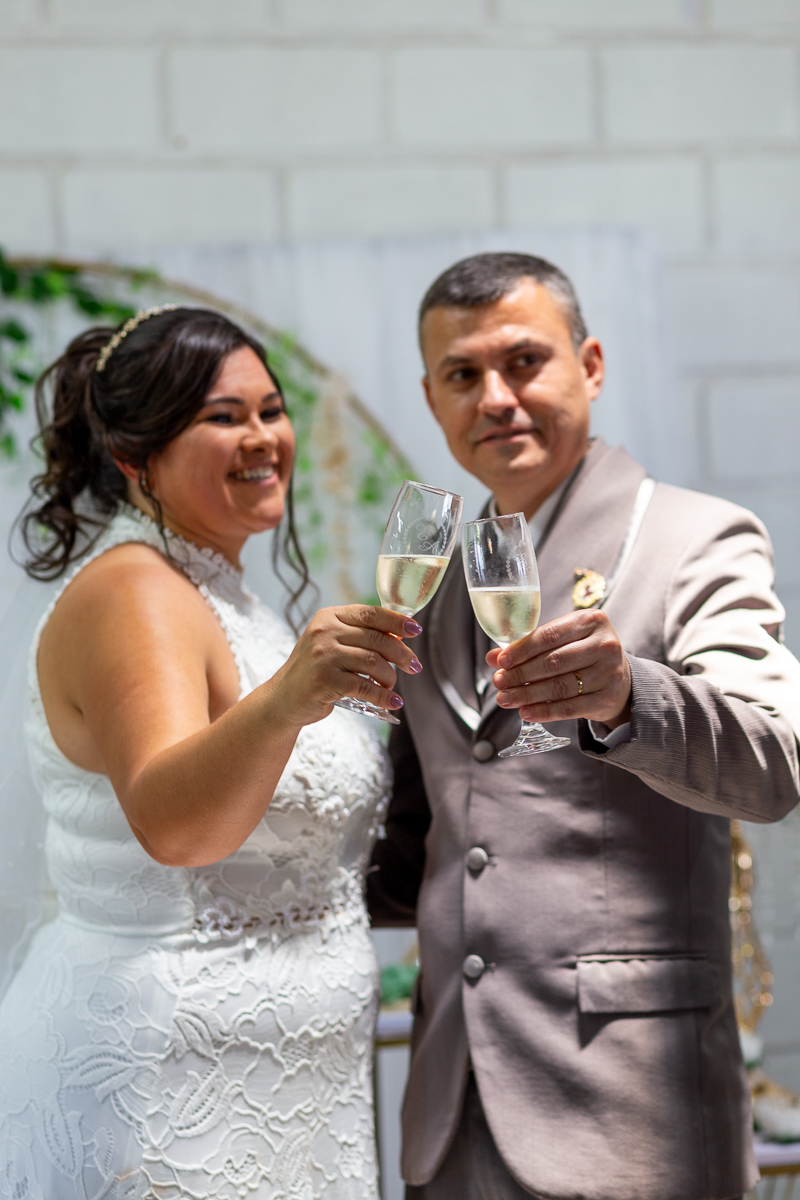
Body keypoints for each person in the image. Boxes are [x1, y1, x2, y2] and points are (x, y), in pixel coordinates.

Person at [368, 252, 800, 1200]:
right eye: (462, 375)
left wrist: (626, 697)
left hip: (632, 1104)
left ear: (591, 365)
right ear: (432, 400)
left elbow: (776, 764)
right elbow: (430, 839)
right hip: (451, 1107)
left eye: (524, 362)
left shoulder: (696, 537)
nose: (496, 397)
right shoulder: (434, 580)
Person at [0, 305, 423, 1199]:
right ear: (131, 455)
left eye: (271, 409)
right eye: (221, 417)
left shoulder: (218, 588)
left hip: (279, 1091)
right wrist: (289, 698)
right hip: (168, 1091)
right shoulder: (134, 592)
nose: (263, 437)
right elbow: (175, 823)